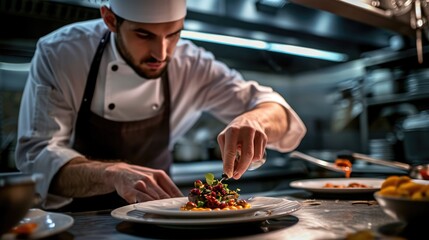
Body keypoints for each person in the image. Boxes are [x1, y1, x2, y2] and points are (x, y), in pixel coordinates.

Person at [15, 0, 306, 211]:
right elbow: (38, 157)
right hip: (79, 223)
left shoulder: (193, 64)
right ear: (111, 20)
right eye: (145, 35)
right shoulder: (63, 53)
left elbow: (274, 109)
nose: (162, 53)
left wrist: (256, 120)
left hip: (160, 220)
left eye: (174, 34)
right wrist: (111, 173)